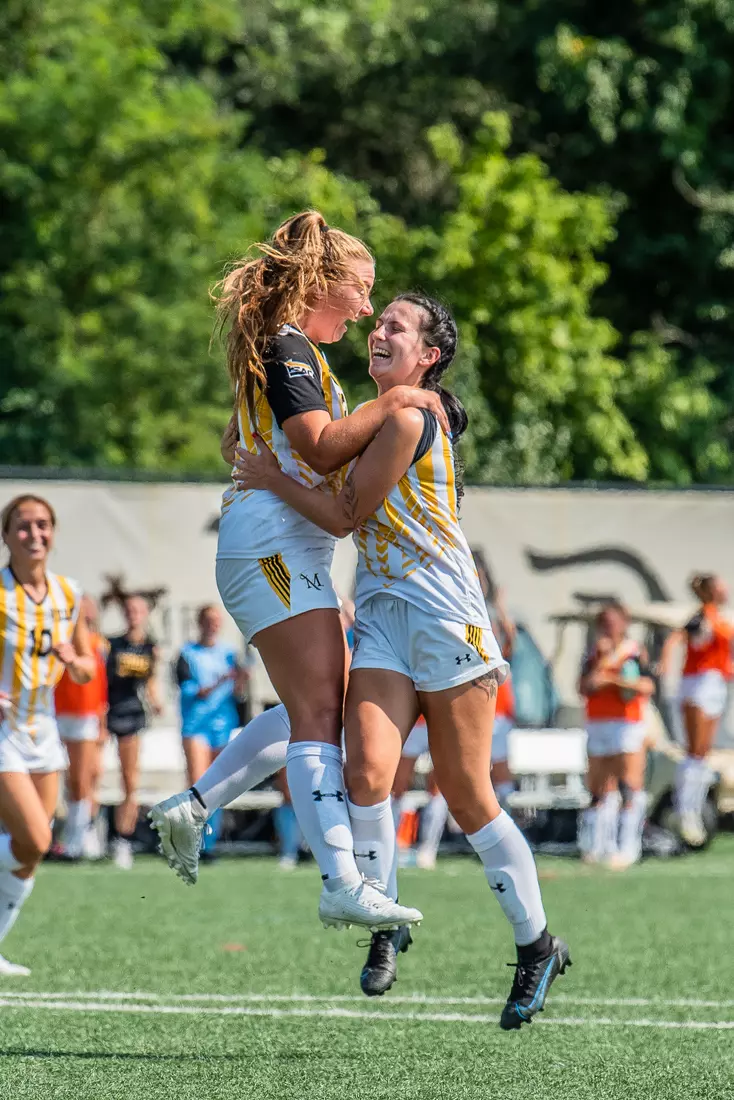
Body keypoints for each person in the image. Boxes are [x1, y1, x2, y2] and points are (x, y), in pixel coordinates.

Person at [233, 292, 570, 1028]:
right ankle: (387, 922)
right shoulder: (375, 411)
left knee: (466, 792)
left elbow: (346, 514)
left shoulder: (410, 417)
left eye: (397, 327)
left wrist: (268, 477)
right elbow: (323, 452)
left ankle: (538, 944)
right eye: (377, 320)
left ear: (429, 357)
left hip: (446, 616)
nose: (378, 331)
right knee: (366, 773)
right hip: (385, 614)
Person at [150, 210, 446, 932]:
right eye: (363, 290)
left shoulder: (294, 350)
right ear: (327, 282)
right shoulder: (288, 345)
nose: (370, 309)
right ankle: (341, 880)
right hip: (273, 548)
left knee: (327, 706)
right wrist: (397, 402)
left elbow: (268, 440)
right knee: (320, 713)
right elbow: (317, 448)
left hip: (290, 547)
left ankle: (193, 807)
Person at [0, 494, 94, 976]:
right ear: (6, 535)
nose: (34, 535)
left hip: (44, 732)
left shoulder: (68, 592)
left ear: (53, 533)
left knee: (29, 853)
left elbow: (83, 670)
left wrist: (73, 660)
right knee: (33, 839)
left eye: (42, 526)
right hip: (2, 732)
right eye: (22, 526)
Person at [578, 603, 654, 868]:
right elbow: (583, 686)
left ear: (624, 622)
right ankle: (599, 846)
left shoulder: (633, 652)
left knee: (630, 784)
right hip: (598, 721)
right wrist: (598, 666)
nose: (609, 627)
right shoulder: (593, 653)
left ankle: (629, 847)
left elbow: (645, 685)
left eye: (614, 621)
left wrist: (612, 681)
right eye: (605, 622)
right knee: (599, 787)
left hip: (626, 722)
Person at [661, 574, 733, 847]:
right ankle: (685, 810)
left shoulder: (720, 617)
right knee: (695, 751)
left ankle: (694, 808)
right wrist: (665, 665)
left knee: (703, 753)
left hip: (715, 682)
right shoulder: (702, 616)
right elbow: (676, 639)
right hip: (698, 682)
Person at [174, 605, 246, 858]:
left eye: (216, 620)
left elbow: (239, 692)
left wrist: (241, 679)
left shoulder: (229, 653)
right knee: (198, 781)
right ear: (199, 622)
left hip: (222, 724)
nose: (212, 625)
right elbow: (193, 691)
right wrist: (222, 680)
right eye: (208, 620)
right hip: (196, 725)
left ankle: (209, 842)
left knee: (218, 784)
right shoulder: (187, 654)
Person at [103, 578, 164, 869]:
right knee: (90, 776)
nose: (133, 615)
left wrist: (157, 701)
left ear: (145, 614)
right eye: (129, 610)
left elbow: (151, 682)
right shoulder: (112, 644)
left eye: (138, 610)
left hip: (131, 714)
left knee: (130, 780)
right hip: (107, 712)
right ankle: (88, 833)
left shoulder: (151, 648)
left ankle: (122, 840)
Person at [54, 594, 108, 859]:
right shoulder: (59, 639)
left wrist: (102, 721)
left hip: (86, 716)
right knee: (55, 777)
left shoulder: (99, 644)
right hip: (57, 712)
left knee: (81, 779)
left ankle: (78, 839)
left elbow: (102, 687)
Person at [391, 717, 449, 871]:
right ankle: (391, 846)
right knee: (397, 786)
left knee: (438, 789)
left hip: (440, 720)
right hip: (413, 722)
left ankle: (428, 850)